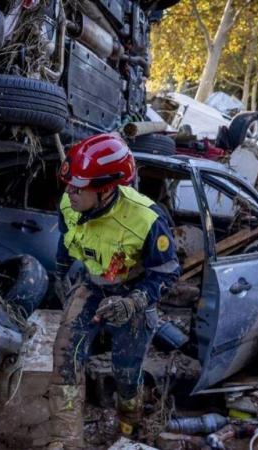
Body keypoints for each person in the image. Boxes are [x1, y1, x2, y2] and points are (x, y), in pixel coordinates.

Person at [48, 133, 180, 449]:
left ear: (106, 190)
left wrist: (135, 301)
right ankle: (67, 441)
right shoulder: (70, 204)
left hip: (132, 296)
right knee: (65, 361)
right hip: (91, 288)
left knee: (125, 372)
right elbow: (66, 242)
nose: (70, 192)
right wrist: (59, 274)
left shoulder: (146, 219)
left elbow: (167, 272)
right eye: (69, 183)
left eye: (79, 187)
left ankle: (128, 428)